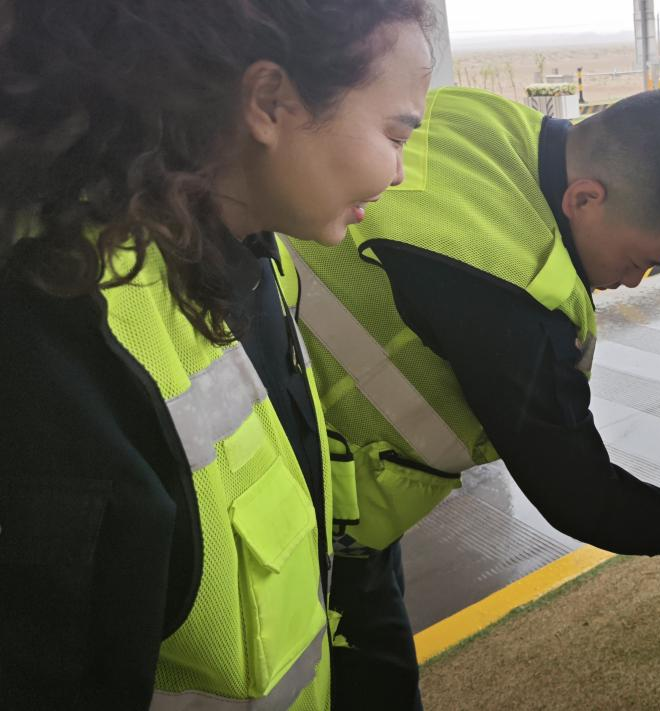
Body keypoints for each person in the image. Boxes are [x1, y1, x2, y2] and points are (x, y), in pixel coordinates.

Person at [286, 86, 660, 706]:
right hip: (305, 505)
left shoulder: (481, 121)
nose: (630, 281)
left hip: (308, 430)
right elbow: (583, 497)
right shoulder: (509, 295)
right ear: (584, 198)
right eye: (639, 259)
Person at [0, 1, 431, 708]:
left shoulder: (257, 259)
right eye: (394, 132)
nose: (401, 171)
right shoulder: (67, 348)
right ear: (269, 101)